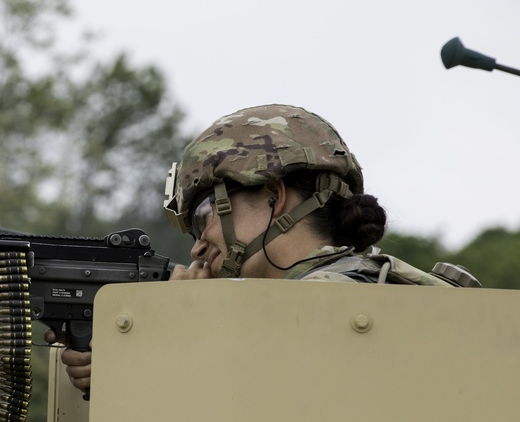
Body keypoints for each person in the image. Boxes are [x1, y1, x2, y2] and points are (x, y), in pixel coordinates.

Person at [49, 103, 469, 393]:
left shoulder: (331, 303)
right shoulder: (360, 292)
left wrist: (171, 332)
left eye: (204, 218)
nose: (197, 249)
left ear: (273, 196)